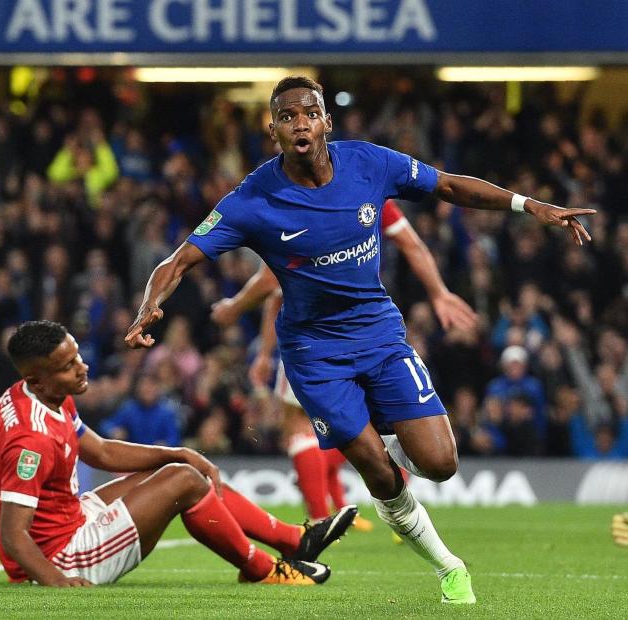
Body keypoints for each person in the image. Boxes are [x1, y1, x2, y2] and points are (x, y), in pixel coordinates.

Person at [125, 76, 595, 604]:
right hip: (313, 354)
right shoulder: (252, 199)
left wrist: (529, 206)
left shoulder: (369, 163)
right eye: (286, 116)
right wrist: (150, 304)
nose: (299, 121)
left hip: (379, 334)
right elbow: (181, 258)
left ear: (326, 121)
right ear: (273, 131)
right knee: (373, 464)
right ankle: (448, 565)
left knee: (440, 464)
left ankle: (387, 450)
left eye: (309, 112)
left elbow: (445, 185)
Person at [0, 320, 357, 586]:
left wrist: (180, 452)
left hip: (73, 520)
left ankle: (294, 540)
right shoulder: (31, 441)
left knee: (177, 469)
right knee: (183, 482)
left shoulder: (40, 394)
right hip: (62, 558)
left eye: (77, 356)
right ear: (37, 378)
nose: (83, 368)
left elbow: (101, 452)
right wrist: (56, 581)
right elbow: (14, 535)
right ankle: (261, 569)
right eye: (68, 367)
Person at [211, 200, 478, 529]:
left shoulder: (297, 206)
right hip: (371, 331)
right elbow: (412, 242)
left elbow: (271, 285)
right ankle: (354, 507)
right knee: (369, 423)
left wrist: (234, 309)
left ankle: (321, 519)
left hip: (314, 343)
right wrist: (438, 291)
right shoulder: (373, 196)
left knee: (300, 426)